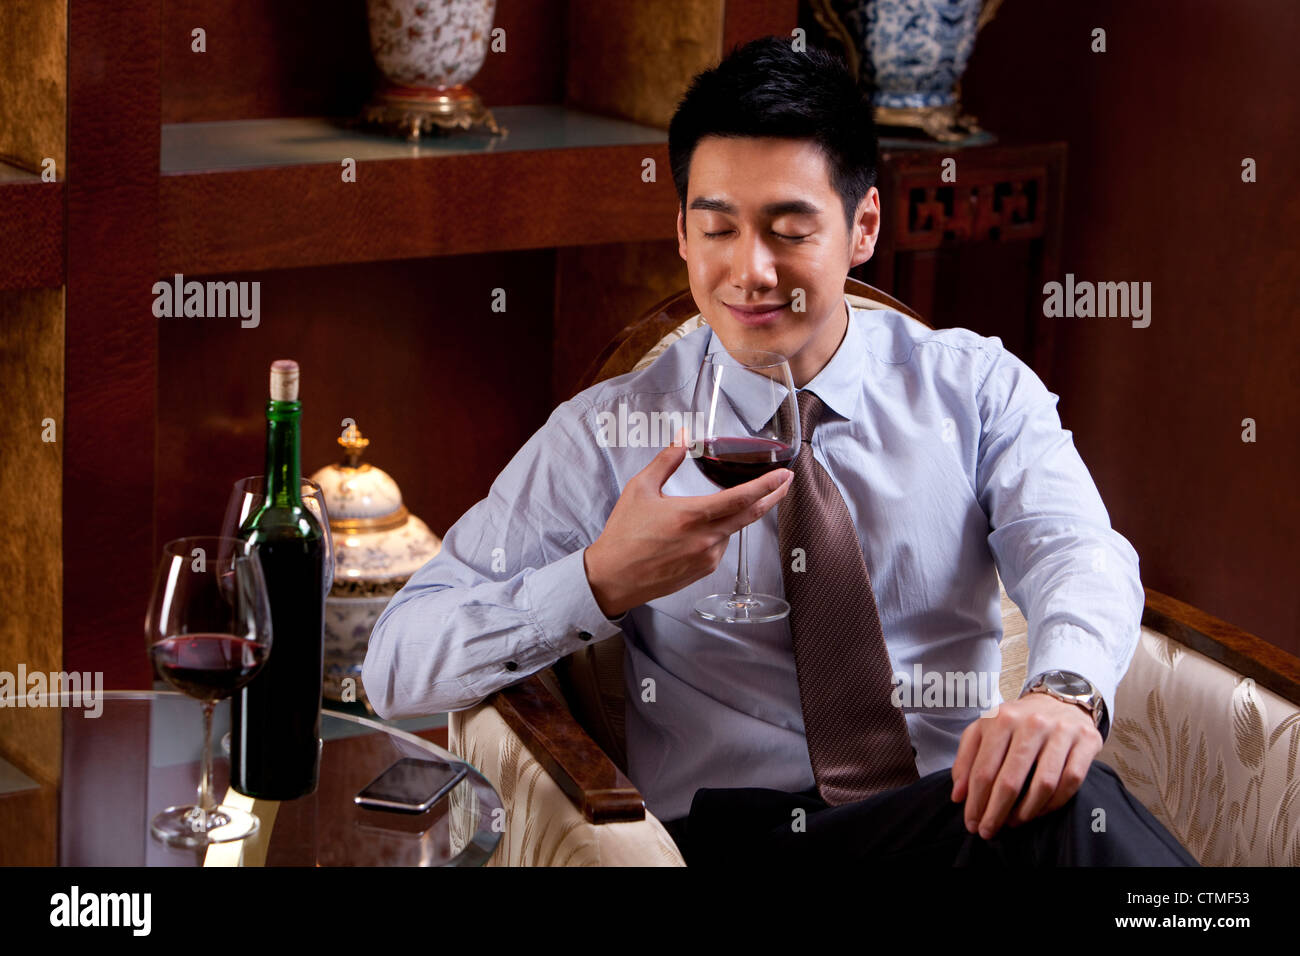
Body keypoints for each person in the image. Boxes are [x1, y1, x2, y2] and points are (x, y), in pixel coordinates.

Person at [362, 36, 1197, 866]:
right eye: (716, 228)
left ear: (863, 225)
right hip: (739, 842)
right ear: (683, 234)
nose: (750, 270)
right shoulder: (607, 432)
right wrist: (601, 580)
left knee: (1072, 810)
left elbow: (1075, 549)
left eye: (789, 230)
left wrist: (1063, 695)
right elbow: (397, 664)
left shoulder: (975, 390)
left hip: (950, 823)